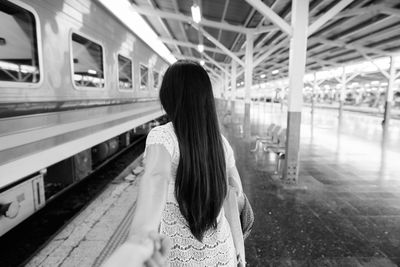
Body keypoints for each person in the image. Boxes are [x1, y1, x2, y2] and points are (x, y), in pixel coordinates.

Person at [107, 60, 245, 266]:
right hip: (223, 254)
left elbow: (156, 176)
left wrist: (140, 237)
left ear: (169, 97)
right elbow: (234, 195)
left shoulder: (162, 136)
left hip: (178, 257)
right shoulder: (221, 143)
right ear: (207, 99)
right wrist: (240, 251)